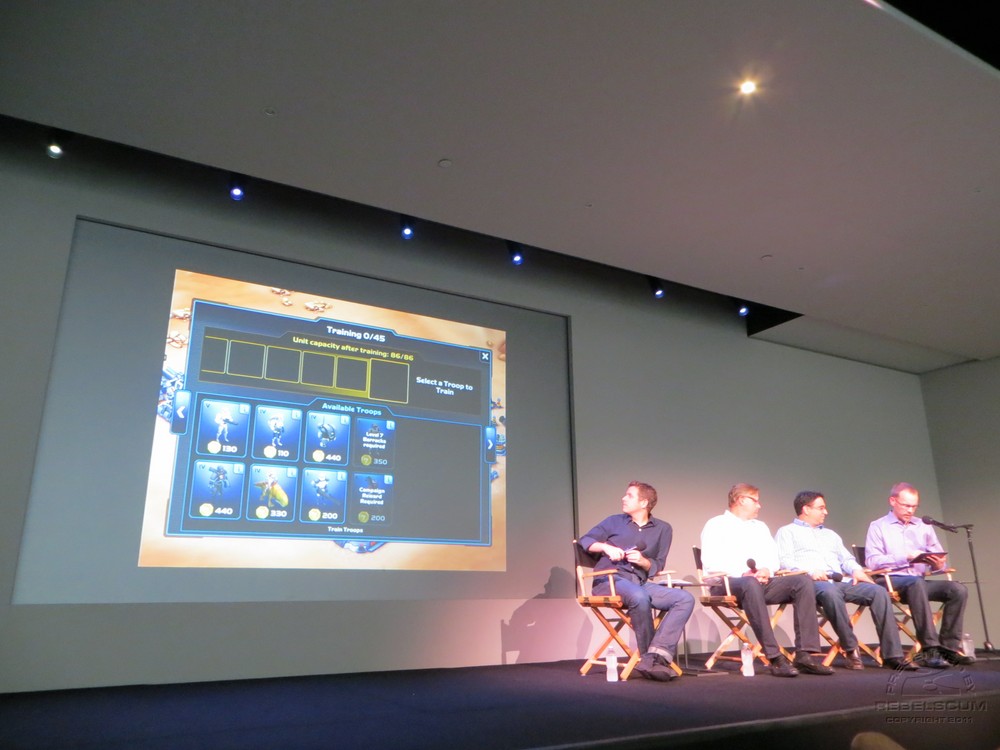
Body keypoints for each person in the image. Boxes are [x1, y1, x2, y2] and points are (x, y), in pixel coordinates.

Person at [700, 483, 834, 677]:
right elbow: (712, 563)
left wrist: (766, 570)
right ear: (741, 500)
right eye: (755, 501)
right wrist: (744, 573)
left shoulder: (760, 527)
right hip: (727, 584)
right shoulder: (716, 525)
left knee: (802, 581)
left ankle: (804, 655)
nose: (759, 505)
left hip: (759, 583)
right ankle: (775, 657)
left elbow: (773, 558)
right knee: (750, 583)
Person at [775, 491, 916, 671]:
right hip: (812, 584)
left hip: (840, 581)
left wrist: (856, 570)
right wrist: (810, 572)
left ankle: (892, 655)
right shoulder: (787, 532)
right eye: (821, 508)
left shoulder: (831, 535)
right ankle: (850, 649)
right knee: (831, 592)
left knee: (878, 592)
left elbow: (846, 559)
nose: (825, 512)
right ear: (806, 509)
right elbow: (785, 561)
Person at [578, 481, 695, 681]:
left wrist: (643, 561)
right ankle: (651, 661)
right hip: (609, 581)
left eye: (629, 495)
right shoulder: (614, 521)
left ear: (644, 503)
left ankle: (656, 655)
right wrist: (606, 547)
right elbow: (585, 541)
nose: (623, 498)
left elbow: (658, 563)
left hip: (639, 582)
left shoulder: (663, 529)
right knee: (639, 596)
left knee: (684, 599)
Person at [865, 482, 971, 669]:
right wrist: (905, 556)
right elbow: (872, 562)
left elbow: (938, 558)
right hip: (890, 582)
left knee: (958, 589)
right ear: (892, 501)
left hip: (918, 583)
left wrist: (938, 564)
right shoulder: (878, 526)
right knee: (915, 583)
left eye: (914, 506)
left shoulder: (923, 526)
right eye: (906, 505)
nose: (910, 510)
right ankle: (930, 649)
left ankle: (948, 650)